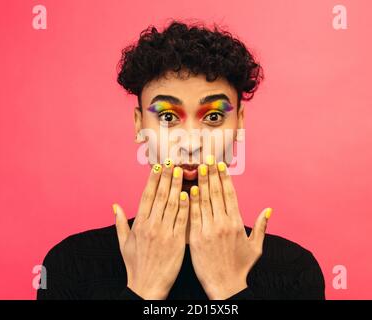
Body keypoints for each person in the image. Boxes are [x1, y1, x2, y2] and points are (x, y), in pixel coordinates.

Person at [37, 20, 325, 300]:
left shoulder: (294, 270)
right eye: (167, 117)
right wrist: (144, 289)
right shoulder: (70, 265)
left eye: (213, 117)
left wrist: (230, 288)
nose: (190, 143)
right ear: (139, 126)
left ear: (239, 122)